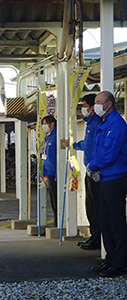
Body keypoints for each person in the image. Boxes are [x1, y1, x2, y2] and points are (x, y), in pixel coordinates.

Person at [88, 91, 127, 277]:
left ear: (108, 104)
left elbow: (109, 153)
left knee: (116, 222)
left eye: (97, 102)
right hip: (105, 177)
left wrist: (93, 165)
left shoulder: (116, 124)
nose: (95, 106)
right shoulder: (105, 123)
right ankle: (111, 259)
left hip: (115, 178)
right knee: (105, 221)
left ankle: (119, 263)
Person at [73, 94, 102, 250]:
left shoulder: (97, 123)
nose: (83, 108)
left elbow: (99, 148)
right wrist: (74, 146)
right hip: (90, 169)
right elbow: (87, 144)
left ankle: (97, 237)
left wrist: (95, 166)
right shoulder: (90, 123)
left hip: (96, 171)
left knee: (95, 205)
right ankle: (94, 235)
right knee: (90, 205)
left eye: (84, 105)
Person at [41, 115, 57, 226]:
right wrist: (44, 173)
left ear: (51, 124)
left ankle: (58, 222)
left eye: (45, 123)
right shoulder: (48, 137)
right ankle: (56, 221)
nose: (43, 126)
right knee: (52, 199)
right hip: (49, 172)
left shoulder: (56, 135)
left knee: (56, 199)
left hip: (55, 173)